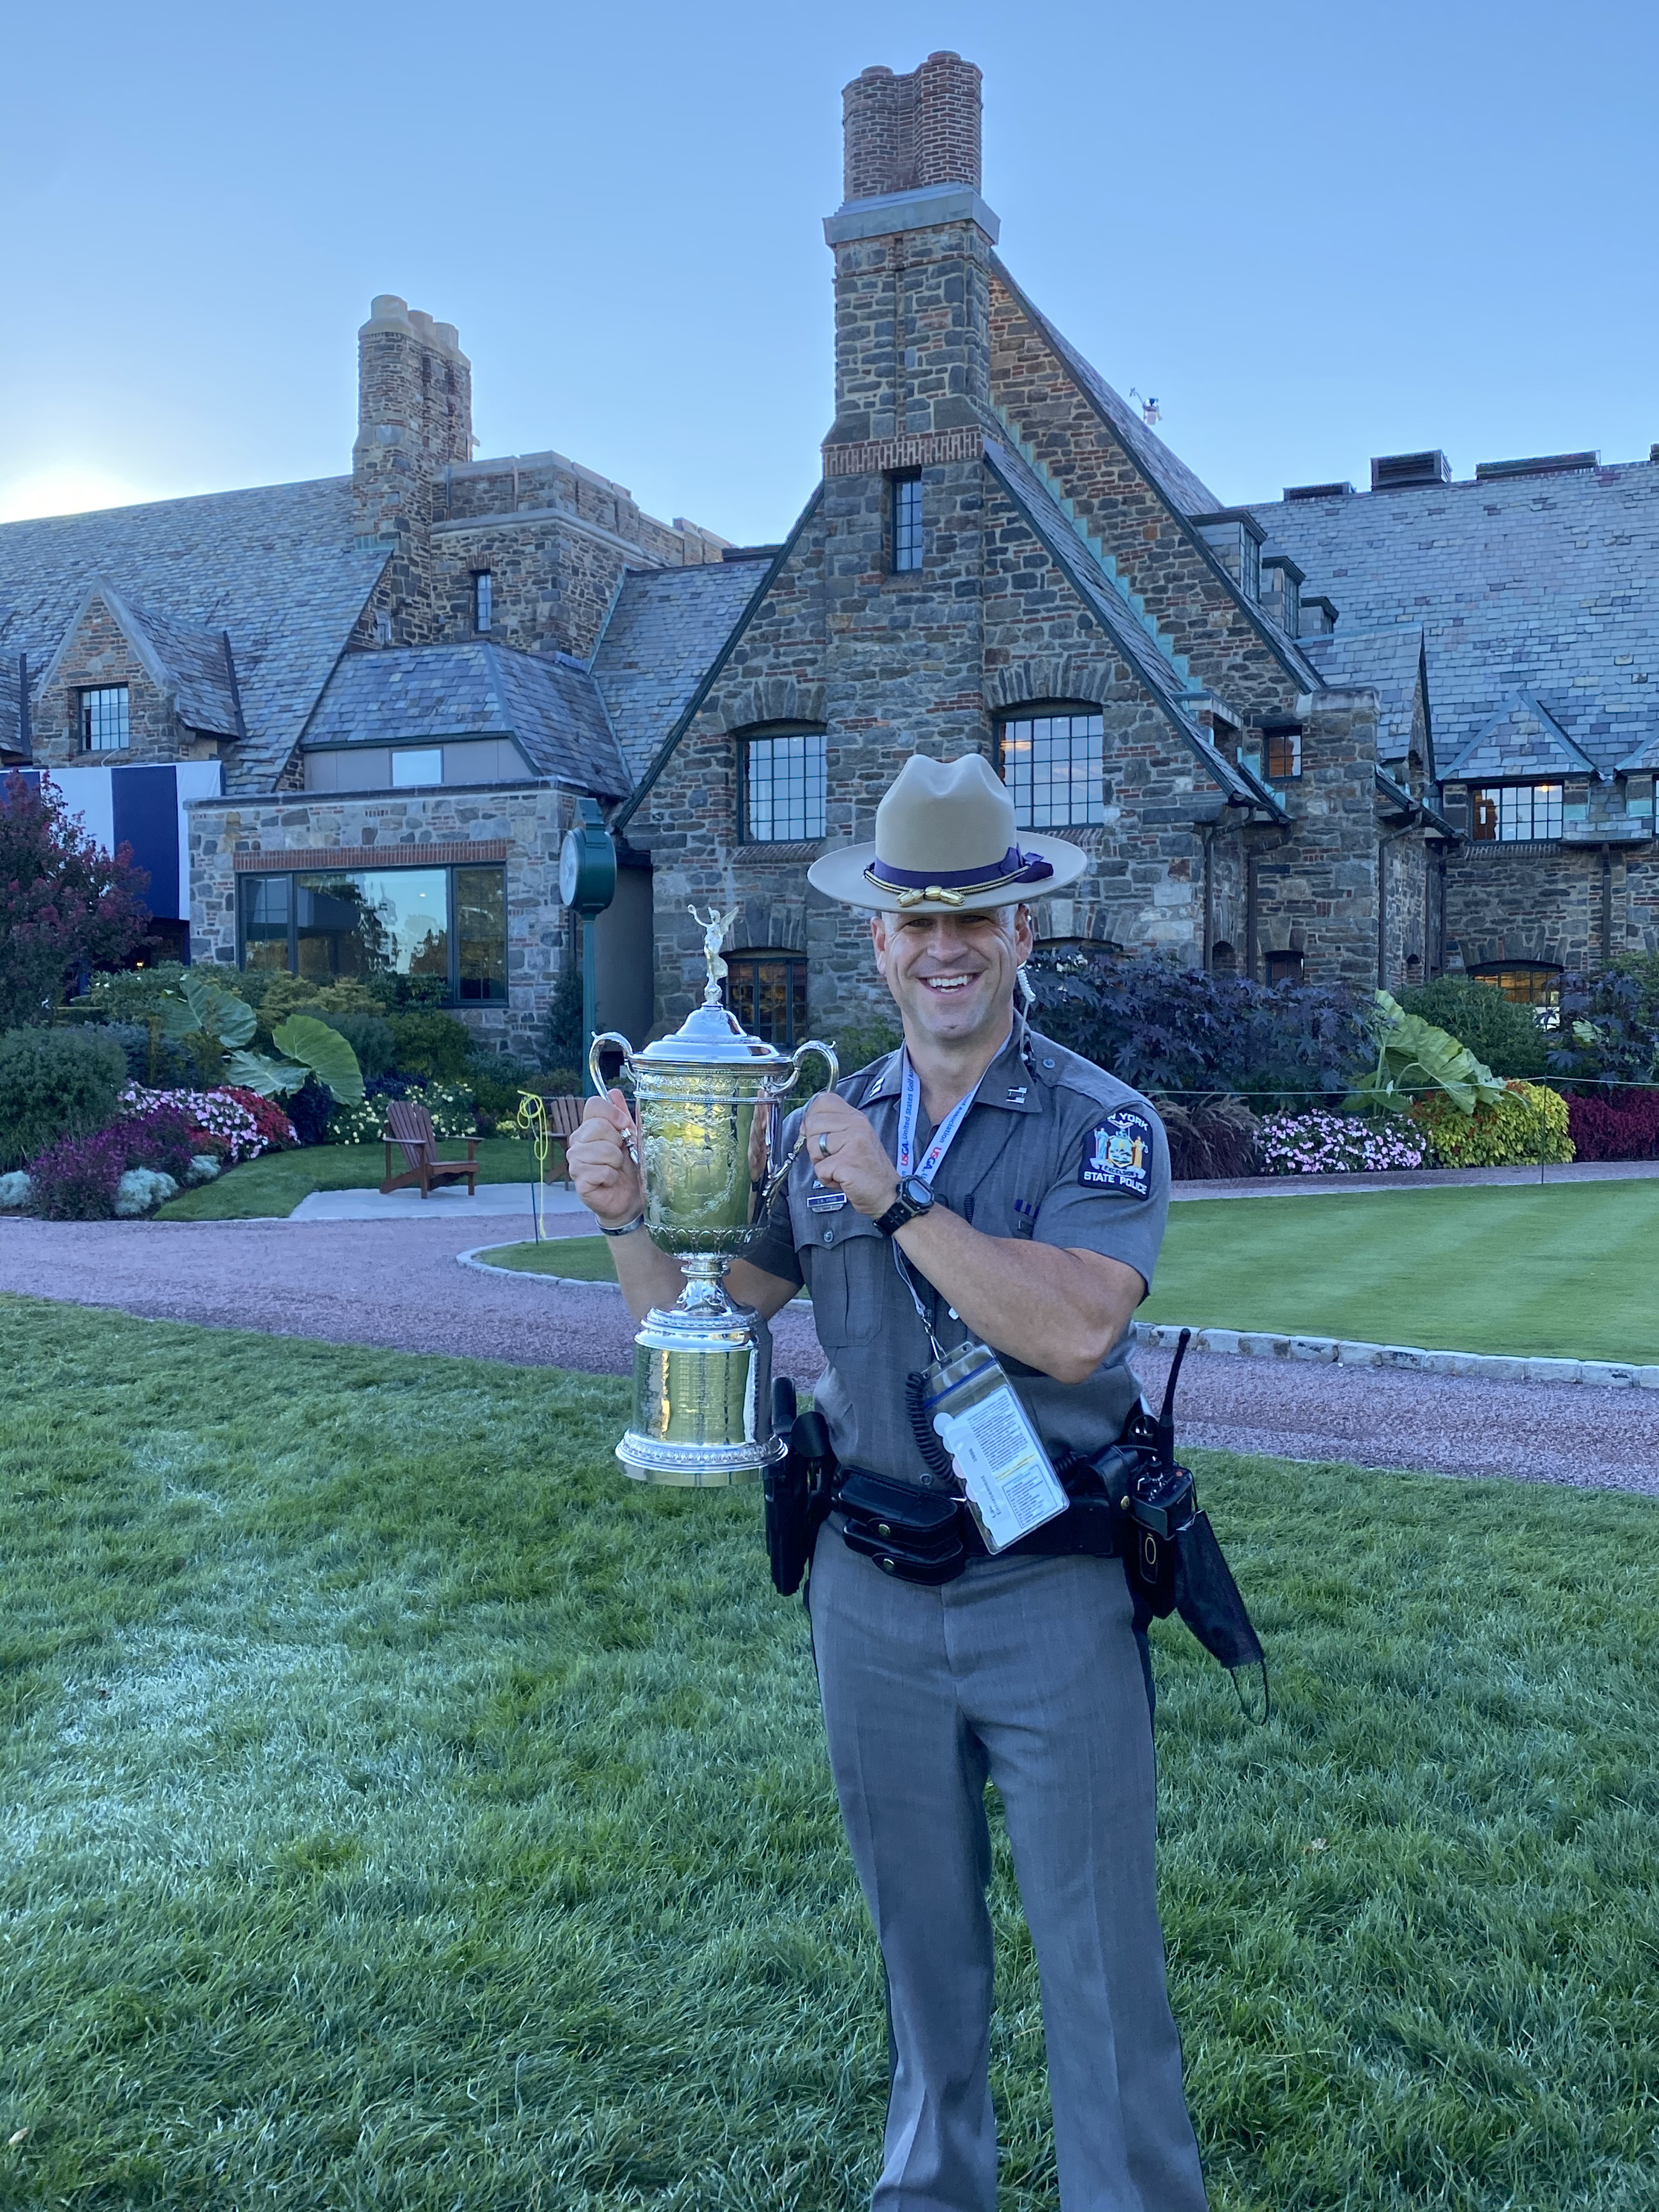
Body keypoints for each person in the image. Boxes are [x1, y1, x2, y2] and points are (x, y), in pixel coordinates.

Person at [568, 752, 1208, 2212]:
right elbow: (706, 1331)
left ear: (1022, 933)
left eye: (974, 918)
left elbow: (1073, 1325)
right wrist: (621, 1219)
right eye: (915, 922)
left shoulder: (1096, 1120)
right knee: (924, 1964)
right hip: (867, 1594)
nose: (944, 947)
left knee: (1101, 1971)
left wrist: (898, 1196)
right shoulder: (819, 1125)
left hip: (1051, 1588)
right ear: (879, 943)